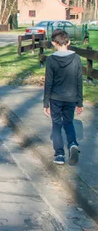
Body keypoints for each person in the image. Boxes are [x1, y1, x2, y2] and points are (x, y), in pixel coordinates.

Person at [43, 29, 83, 165]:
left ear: (54, 43)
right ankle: (72, 144)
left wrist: (45, 103)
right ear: (69, 42)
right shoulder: (76, 59)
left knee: (56, 125)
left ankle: (59, 154)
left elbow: (48, 82)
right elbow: (79, 81)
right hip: (71, 98)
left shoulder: (51, 60)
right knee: (68, 122)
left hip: (56, 98)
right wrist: (80, 102)